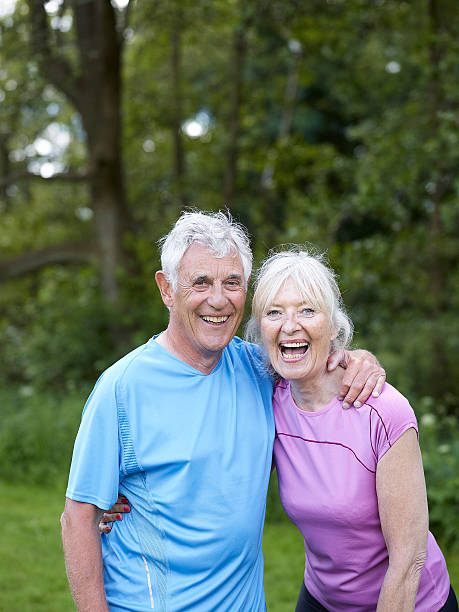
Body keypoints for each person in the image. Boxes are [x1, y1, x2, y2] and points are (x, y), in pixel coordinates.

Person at [61, 211, 385, 612]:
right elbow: (78, 518)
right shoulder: (121, 388)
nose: (218, 299)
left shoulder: (261, 370)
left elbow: (314, 361)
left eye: (231, 282)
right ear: (166, 289)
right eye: (200, 282)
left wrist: (359, 359)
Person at [245, 246, 457, 612]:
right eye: (274, 312)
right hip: (321, 598)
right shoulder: (267, 400)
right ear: (260, 329)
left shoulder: (383, 411)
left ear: (333, 325)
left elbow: (409, 562)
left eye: (307, 310)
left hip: (411, 601)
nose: (289, 325)